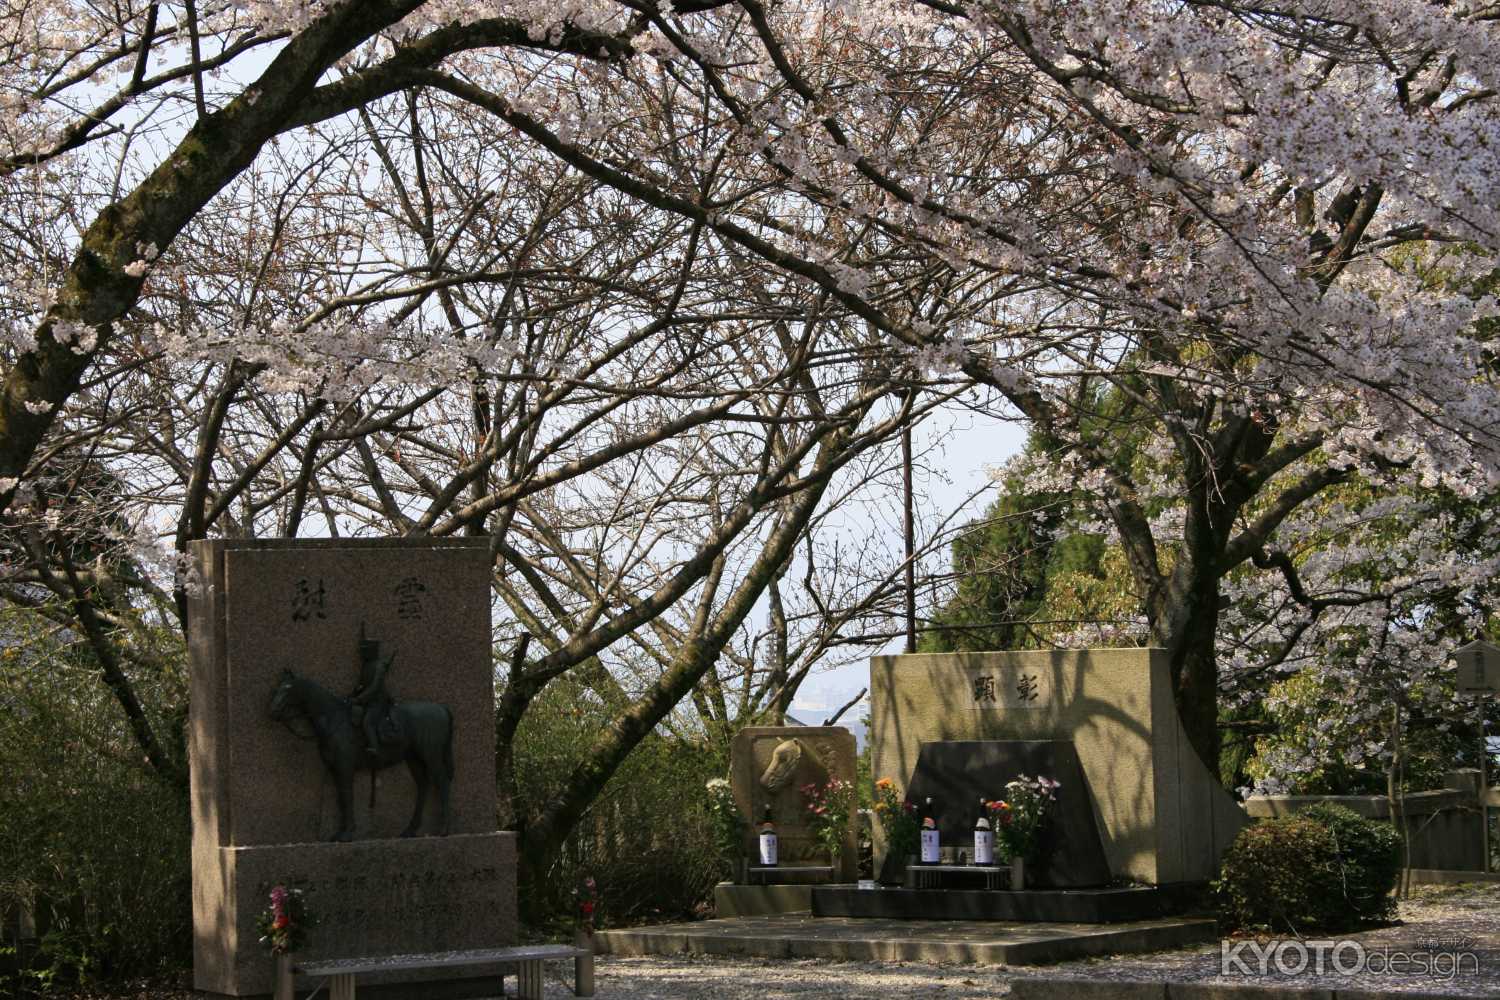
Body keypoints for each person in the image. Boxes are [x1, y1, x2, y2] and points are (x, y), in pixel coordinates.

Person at [350, 630, 395, 759]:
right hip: (366, 701)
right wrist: (352, 695)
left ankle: (375, 747)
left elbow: (374, 688)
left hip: (378, 701)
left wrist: (359, 699)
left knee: (368, 722)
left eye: (364, 650)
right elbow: (360, 684)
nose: (362, 653)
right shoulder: (366, 666)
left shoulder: (379, 667)